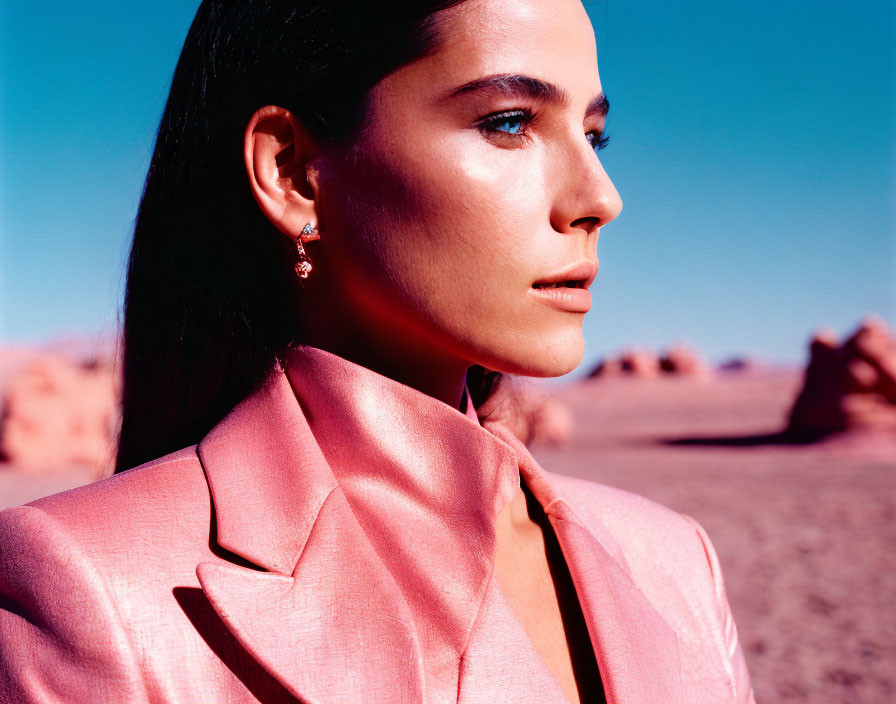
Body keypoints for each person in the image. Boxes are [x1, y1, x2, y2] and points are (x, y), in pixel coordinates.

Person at [0, 0, 757, 702]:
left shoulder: (674, 559)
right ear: (293, 171)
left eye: (593, 135)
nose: (600, 198)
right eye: (509, 121)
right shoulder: (91, 590)